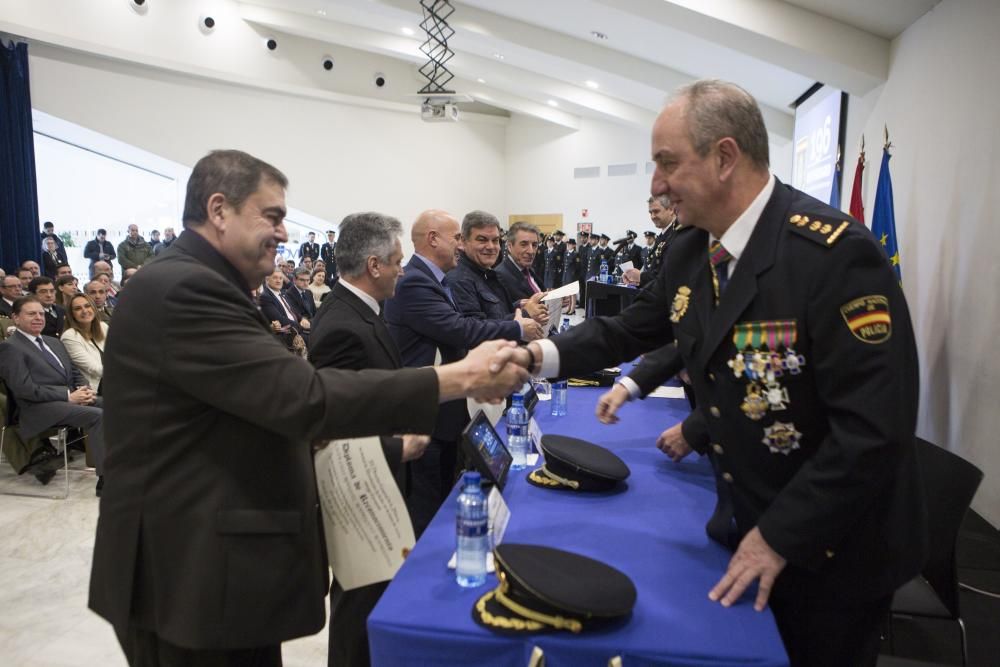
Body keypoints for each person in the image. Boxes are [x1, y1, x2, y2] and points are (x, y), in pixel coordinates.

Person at [505, 80, 926, 667]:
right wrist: (533, 358)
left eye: (667, 163)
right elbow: (631, 330)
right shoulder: (691, 249)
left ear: (725, 157)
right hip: (744, 514)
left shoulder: (833, 255)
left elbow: (873, 430)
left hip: (835, 547)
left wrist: (781, 535)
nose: (656, 184)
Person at [87, 150, 526, 667]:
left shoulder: (206, 283)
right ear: (220, 209)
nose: (284, 233)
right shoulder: (185, 288)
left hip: (209, 567)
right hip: (185, 572)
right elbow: (303, 396)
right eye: (272, 216)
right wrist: (456, 378)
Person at [308, 212, 430, 667]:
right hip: (359, 485)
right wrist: (400, 447)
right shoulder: (341, 324)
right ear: (374, 265)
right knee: (358, 604)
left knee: (375, 598)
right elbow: (330, 423)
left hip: (379, 478)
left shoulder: (364, 311)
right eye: (398, 261)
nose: (403, 269)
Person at [384, 209, 528, 536]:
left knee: (445, 494)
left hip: (445, 410)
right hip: (425, 417)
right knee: (428, 508)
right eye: (458, 238)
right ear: (433, 239)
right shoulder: (414, 281)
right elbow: (458, 329)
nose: (461, 246)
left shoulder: (436, 279)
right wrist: (516, 327)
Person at [0, 295, 105, 492]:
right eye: (31, 314)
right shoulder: (10, 347)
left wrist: (85, 391)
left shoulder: (53, 341)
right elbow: (24, 389)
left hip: (64, 402)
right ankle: (105, 479)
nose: (39, 317)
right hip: (36, 409)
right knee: (97, 416)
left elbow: (74, 372)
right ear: (16, 318)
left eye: (41, 313)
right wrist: (67, 396)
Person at [448, 210, 546, 339]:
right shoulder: (459, 278)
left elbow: (494, 314)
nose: (491, 247)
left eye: (495, 240)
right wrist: (525, 313)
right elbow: (474, 331)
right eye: (482, 240)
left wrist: (517, 305)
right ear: (463, 241)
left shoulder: (486, 273)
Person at [60, 293, 108, 392]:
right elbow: (94, 369)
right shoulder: (69, 336)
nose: (84, 311)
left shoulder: (103, 326)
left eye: (87, 306)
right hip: (95, 387)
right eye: (78, 308)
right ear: (71, 314)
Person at [495, 221, 545, 306]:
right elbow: (499, 313)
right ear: (510, 247)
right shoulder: (499, 276)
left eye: (534, 245)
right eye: (524, 244)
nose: (531, 251)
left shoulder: (529, 270)